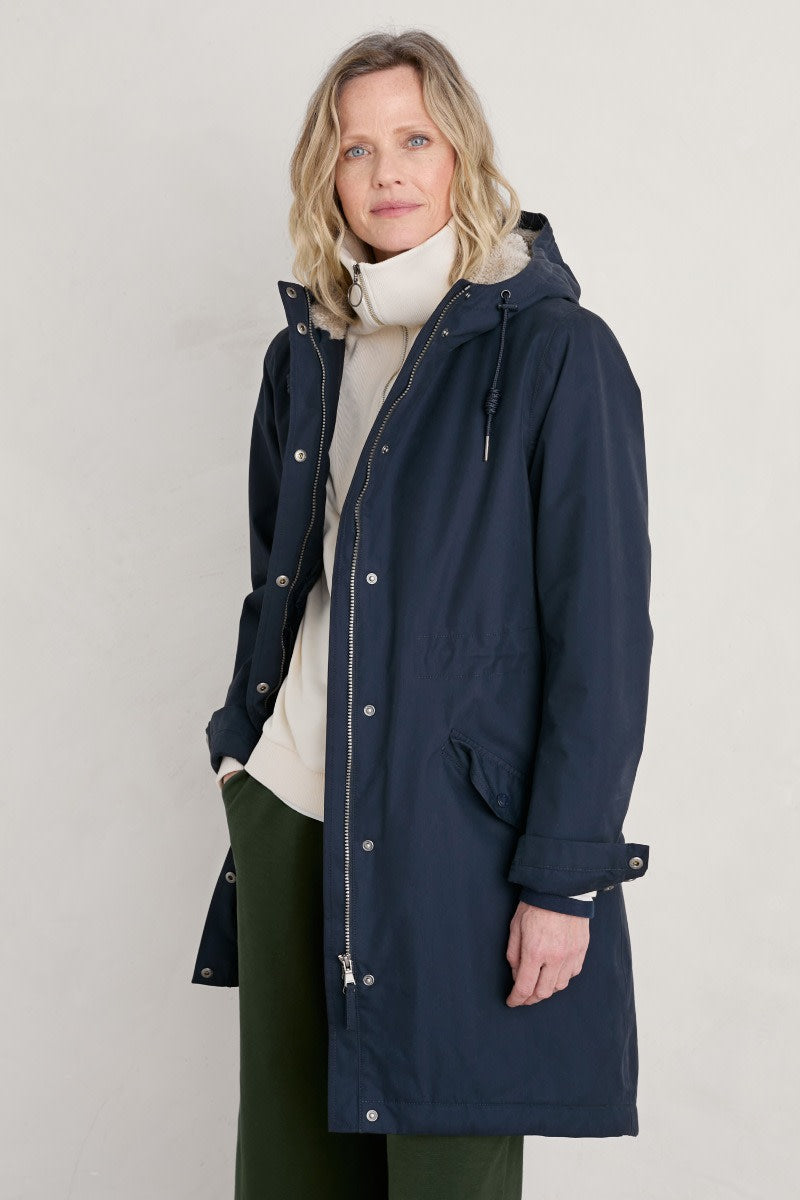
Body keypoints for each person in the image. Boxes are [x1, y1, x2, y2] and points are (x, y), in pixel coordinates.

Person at [192, 27, 653, 1200]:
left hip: (458, 839)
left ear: (460, 156)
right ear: (327, 175)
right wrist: (242, 752)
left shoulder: (555, 353)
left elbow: (600, 640)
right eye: (355, 149)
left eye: (413, 139)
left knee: (447, 1169)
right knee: (292, 1174)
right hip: (292, 804)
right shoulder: (304, 357)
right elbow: (281, 583)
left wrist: (563, 878)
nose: (386, 171)